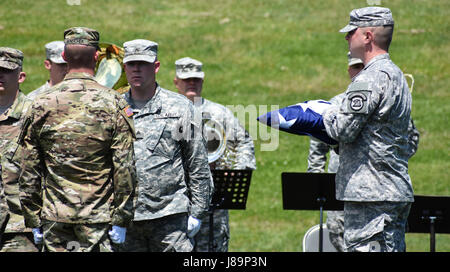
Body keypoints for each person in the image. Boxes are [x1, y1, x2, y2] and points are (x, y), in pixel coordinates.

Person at [16, 27, 136, 252]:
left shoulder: (41, 103)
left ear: (63, 57)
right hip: (99, 220)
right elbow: (125, 168)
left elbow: (28, 169)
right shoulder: (114, 103)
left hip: (55, 218)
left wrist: (33, 219)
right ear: (97, 56)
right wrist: (122, 218)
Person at [322, 7, 415, 252]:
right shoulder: (396, 75)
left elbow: (342, 130)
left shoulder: (369, 78)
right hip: (388, 191)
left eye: (351, 32)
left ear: (367, 37)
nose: (346, 37)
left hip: (371, 195)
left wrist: (320, 112)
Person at [308, 52, 420, 252]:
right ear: (349, 70)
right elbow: (318, 137)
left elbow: (410, 137)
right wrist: (315, 177)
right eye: (355, 67)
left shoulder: (390, 99)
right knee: (337, 231)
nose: (360, 71)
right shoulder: (338, 102)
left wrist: (388, 156)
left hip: (379, 185)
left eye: (363, 66)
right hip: (341, 183)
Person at [117, 40, 212, 252]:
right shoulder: (114, 107)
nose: (137, 69)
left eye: (143, 64)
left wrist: (197, 212)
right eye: (131, 64)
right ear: (124, 68)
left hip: (170, 217)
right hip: (127, 217)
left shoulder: (180, 107)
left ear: (156, 66)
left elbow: (197, 163)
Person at [173, 57, 256, 252]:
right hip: (176, 202)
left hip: (214, 204)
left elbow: (244, 140)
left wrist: (237, 172)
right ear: (176, 81)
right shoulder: (168, 111)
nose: (191, 83)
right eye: (186, 79)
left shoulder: (220, 113)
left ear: (203, 80)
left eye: (196, 79)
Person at [0, 47, 36, 251]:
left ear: (21, 77)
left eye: (5, 70)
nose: (0, 75)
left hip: (19, 227)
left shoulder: (34, 114)